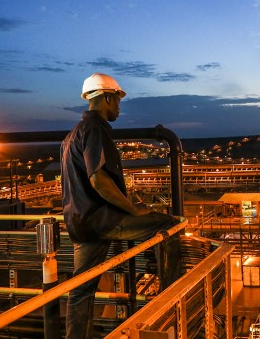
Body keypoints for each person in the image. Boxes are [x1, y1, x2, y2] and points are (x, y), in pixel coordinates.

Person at [61, 72, 180, 339]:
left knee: (81, 289)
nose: (119, 107)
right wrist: (133, 209)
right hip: (102, 220)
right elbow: (98, 179)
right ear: (106, 98)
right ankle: (171, 299)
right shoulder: (95, 129)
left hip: (80, 224)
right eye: (117, 100)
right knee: (168, 224)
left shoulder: (71, 135)